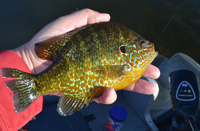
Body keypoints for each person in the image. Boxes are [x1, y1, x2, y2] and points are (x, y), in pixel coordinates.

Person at [0, 9, 160, 131]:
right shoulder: (126, 66)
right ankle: (36, 85)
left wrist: (26, 58)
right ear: (128, 49)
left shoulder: (130, 65)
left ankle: (34, 84)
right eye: (141, 44)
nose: (148, 46)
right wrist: (28, 59)